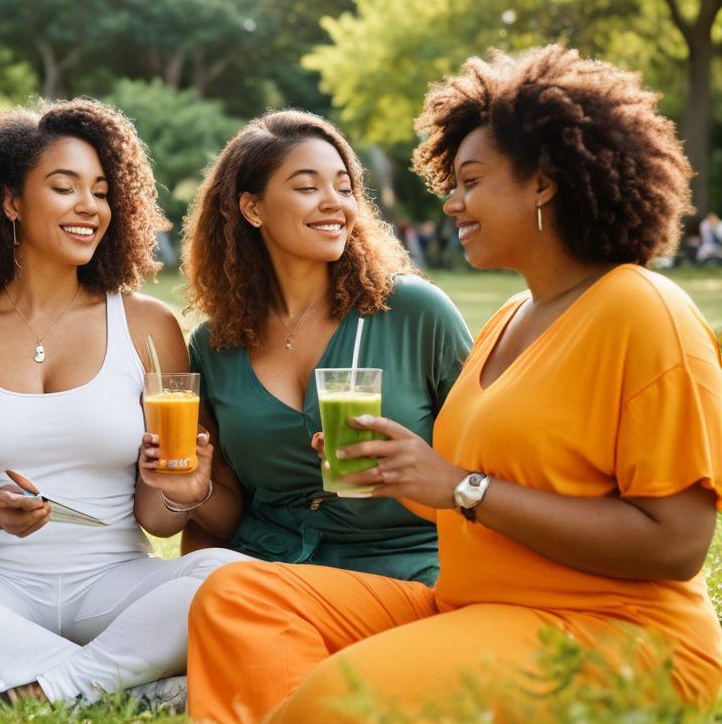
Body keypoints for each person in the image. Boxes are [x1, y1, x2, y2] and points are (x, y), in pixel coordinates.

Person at [187, 47, 722, 723]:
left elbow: (675, 545)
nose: (452, 200)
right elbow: (468, 491)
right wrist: (408, 478)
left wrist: (463, 488)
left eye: (471, 180)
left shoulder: (643, 310)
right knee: (237, 599)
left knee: (342, 694)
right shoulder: (510, 318)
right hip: (474, 604)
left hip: (610, 630)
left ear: (543, 184)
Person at [0, 99, 245, 711]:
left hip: (117, 585)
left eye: (101, 191)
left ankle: (45, 692)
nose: (88, 207)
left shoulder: (149, 327)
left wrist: (182, 487)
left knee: (232, 577)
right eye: (64, 187)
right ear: (11, 201)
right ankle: (125, 689)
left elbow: (159, 521)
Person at [178, 110, 471, 586]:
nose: (335, 203)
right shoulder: (215, 346)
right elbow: (221, 514)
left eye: (345, 187)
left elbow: (491, 467)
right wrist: (193, 494)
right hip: (273, 572)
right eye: (308, 187)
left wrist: (417, 472)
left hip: (410, 567)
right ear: (253, 209)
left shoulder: (414, 311)